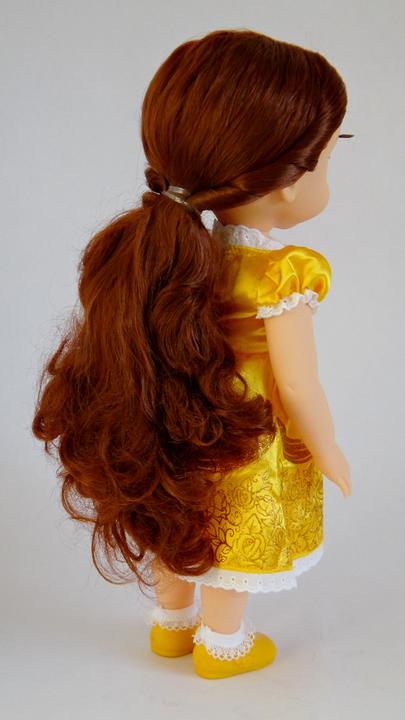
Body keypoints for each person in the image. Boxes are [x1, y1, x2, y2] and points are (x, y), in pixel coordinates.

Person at [32, 28, 353, 680]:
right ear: (287, 182)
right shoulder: (284, 272)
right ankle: (222, 644)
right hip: (244, 433)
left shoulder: (173, 255)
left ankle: (170, 624)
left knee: (176, 515)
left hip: (178, 416)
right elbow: (297, 385)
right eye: (327, 157)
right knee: (232, 533)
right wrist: (327, 449)